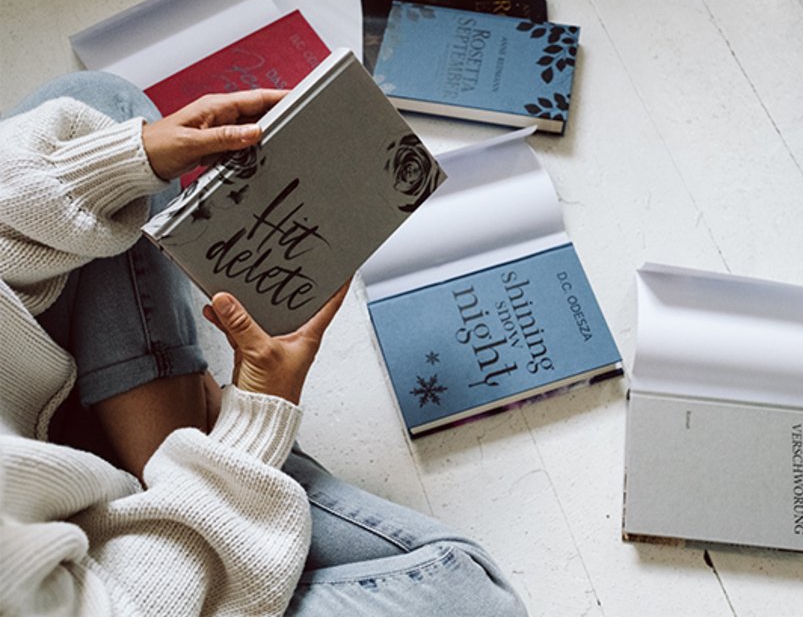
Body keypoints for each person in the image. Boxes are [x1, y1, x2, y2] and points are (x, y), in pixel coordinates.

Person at [0, 71, 526, 616]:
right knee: (468, 596)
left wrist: (120, 162)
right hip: (101, 580)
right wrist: (255, 422)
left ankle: (175, 456)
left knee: (102, 108)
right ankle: (185, 467)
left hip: (25, 458)